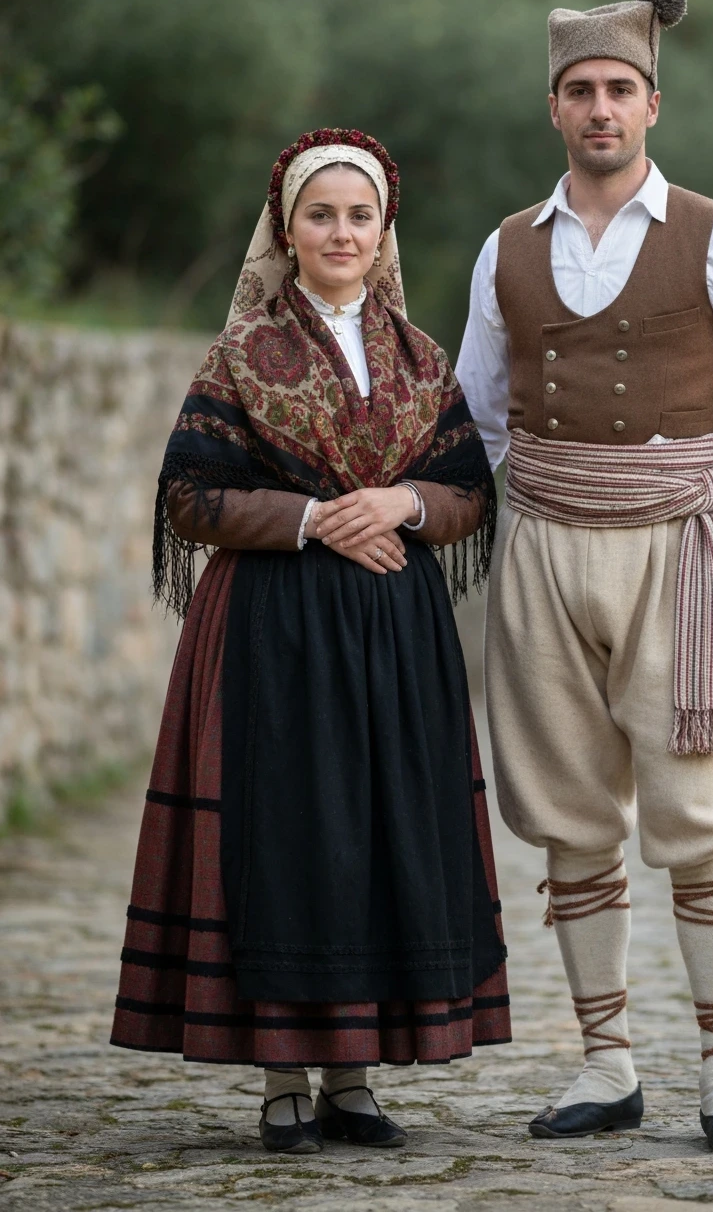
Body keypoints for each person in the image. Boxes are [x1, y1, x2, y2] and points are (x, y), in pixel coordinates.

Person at [456, 0, 713, 1152]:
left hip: (680, 556)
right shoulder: (505, 246)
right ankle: (605, 1059)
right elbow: (473, 421)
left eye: (619, 89)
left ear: (651, 105)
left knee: (705, 817)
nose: (599, 108)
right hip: (543, 552)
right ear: (552, 107)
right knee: (567, 817)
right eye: (579, 91)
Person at [111, 128, 510, 1154]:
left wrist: (399, 503)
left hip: (394, 634)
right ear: (285, 231)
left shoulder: (421, 361)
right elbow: (189, 497)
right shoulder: (240, 354)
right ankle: (283, 1077)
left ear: (385, 235)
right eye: (319, 214)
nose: (340, 231)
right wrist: (306, 520)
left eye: (358, 215)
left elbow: (469, 492)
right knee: (284, 833)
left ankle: (354, 1077)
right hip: (270, 634)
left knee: (378, 831)